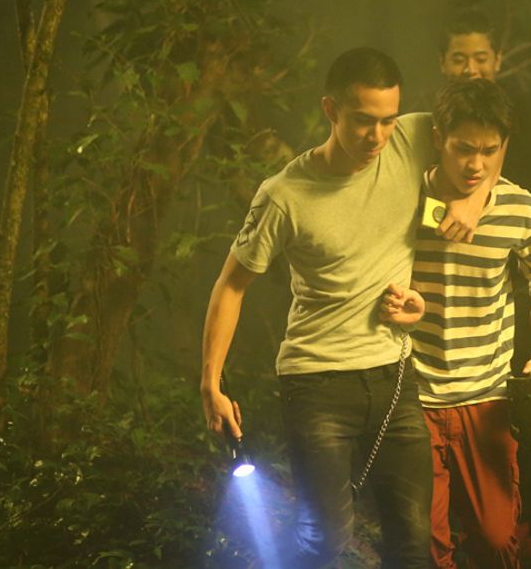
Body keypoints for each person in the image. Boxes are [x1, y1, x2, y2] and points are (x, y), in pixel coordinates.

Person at [199, 47, 485, 568]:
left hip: (394, 376)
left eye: (388, 120)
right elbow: (231, 286)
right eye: (363, 120)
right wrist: (210, 384)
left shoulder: (411, 138)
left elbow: (489, 131)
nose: (378, 136)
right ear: (330, 110)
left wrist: (472, 198)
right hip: (317, 383)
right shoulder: (284, 195)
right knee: (327, 538)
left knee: (413, 540)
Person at [383, 78, 531, 568]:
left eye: (489, 151)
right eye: (464, 149)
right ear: (437, 137)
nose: (476, 165)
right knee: (426, 542)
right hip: (415, 396)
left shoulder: (518, 208)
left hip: (487, 398)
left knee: (497, 539)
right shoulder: (407, 199)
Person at [437, 3, 531, 564]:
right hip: (436, 334)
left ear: (497, 59)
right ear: (443, 63)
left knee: (530, 432)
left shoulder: (520, 122)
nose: (470, 68)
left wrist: (481, 199)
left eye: (480, 57)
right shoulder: (428, 130)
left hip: (507, 313)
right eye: (459, 58)